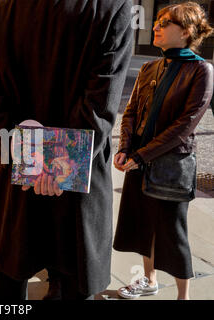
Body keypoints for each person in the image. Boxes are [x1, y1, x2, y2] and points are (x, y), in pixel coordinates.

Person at [0, 0, 133, 300]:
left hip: (21, 173)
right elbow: (101, 104)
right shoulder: (112, 10)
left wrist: (32, 160)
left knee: (11, 277)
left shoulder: (2, 11)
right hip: (77, 179)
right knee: (73, 280)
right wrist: (57, 166)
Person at [113, 2, 213, 300]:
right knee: (144, 224)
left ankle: (183, 296)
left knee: (173, 232)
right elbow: (130, 112)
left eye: (165, 23)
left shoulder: (201, 70)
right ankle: (149, 280)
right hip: (139, 159)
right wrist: (124, 148)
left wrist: (141, 156)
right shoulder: (149, 67)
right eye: (156, 21)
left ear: (186, 32)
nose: (155, 26)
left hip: (171, 162)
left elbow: (185, 125)